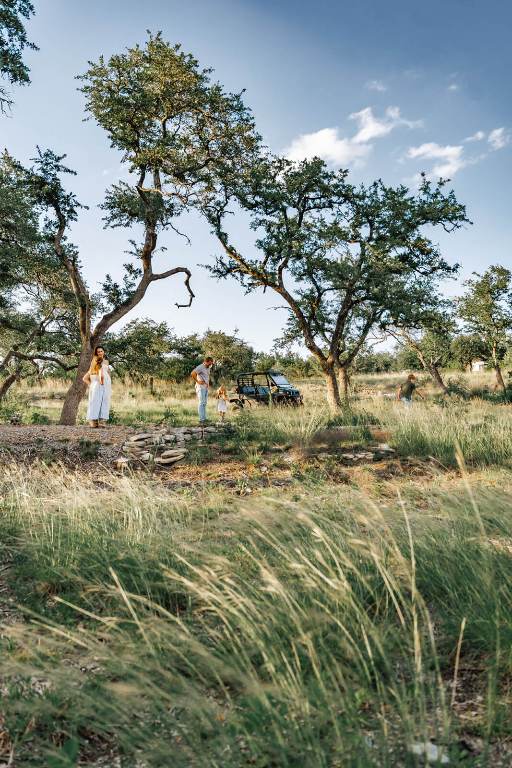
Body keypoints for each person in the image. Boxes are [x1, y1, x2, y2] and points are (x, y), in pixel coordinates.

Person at [83, 346, 112, 427]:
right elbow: (86, 377)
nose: (100, 353)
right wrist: (91, 385)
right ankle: (93, 421)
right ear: (96, 353)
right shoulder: (94, 361)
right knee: (95, 402)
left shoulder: (106, 362)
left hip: (106, 385)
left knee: (105, 402)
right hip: (97, 384)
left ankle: (103, 421)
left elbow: (108, 373)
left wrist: (109, 382)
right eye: (98, 352)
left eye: (101, 351)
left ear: (104, 352)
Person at [191, 357, 214, 424]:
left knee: (204, 403)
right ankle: (201, 420)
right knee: (201, 403)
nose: (211, 364)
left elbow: (206, 377)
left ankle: (204, 419)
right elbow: (192, 373)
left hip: (205, 387)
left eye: (211, 363)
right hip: (200, 387)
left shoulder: (208, 368)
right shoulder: (200, 367)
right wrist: (197, 381)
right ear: (206, 361)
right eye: (210, 363)